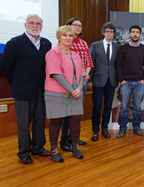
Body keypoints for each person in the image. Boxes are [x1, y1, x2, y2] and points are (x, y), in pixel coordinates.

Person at [0, 14, 51, 164]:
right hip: (22, 91)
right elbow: (5, 66)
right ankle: (24, 152)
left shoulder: (46, 43)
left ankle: (38, 147)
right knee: (23, 124)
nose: (35, 26)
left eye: (38, 24)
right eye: (31, 23)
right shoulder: (15, 43)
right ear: (25, 25)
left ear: (41, 26)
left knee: (40, 121)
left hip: (41, 90)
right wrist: (16, 83)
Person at [44, 25, 85, 162]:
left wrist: (79, 88)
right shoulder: (53, 53)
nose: (68, 38)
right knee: (56, 121)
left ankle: (75, 146)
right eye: (65, 35)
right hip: (56, 94)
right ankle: (54, 149)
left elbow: (81, 74)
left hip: (75, 93)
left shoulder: (76, 55)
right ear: (58, 37)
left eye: (70, 36)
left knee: (75, 120)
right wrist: (72, 90)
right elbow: (56, 74)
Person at [59, 17, 94, 151]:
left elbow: (89, 62)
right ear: (68, 26)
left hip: (82, 82)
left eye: (80, 25)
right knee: (66, 112)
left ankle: (73, 137)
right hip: (68, 83)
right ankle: (64, 138)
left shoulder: (84, 43)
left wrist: (85, 77)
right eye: (75, 25)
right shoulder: (65, 42)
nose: (78, 27)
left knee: (76, 112)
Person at [116, 25, 144, 138]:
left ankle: (137, 128)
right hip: (126, 83)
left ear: (140, 34)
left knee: (137, 108)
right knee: (124, 107)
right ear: (129, 34)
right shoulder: (123, 48)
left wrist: (143, 80)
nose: (135, 34)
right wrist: (121, 80)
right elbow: (118, 65)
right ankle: (122, 129)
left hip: (139, 84)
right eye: (133, 32)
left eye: (137, 32)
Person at [89, 22, 119, 141]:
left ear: (114, 33)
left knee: (107, 106)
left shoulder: (117, 47)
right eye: (107, 31)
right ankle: (95, 130)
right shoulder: (95, 45)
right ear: (103, 32)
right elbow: (90, 63)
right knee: (96, 106)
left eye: (111, 31)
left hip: (111, 81)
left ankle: (104, 128)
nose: (109, 33)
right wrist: (90, 80)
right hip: (97, 81)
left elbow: (117, 64)